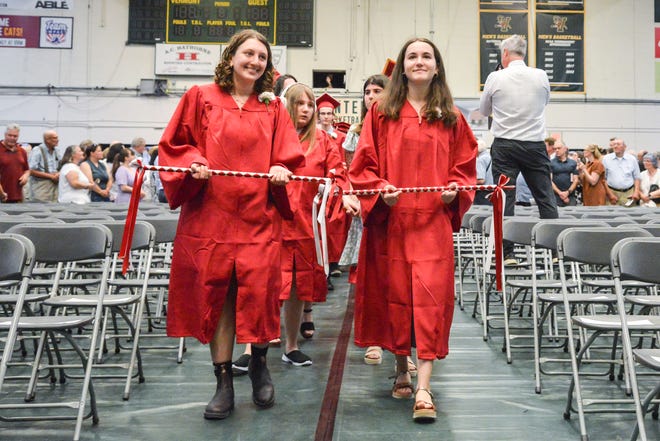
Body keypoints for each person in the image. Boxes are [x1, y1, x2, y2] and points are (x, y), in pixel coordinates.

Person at [158, 29, 305, 420]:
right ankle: (223, 381)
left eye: (262, 56)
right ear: (231, 56)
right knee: (218, 297)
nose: (255, 61)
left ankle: (258, 363)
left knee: (258, 294)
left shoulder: (273, 108)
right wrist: (193, 160)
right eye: (248, 53)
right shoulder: (200, 97)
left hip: (259, 218)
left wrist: (279, 166)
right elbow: (175, 145)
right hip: (212, 217)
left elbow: (289, 157)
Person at [349, 37, 477, 423]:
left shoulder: (452, 117)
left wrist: (455, 191)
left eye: (427, 56)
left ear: (437, 67)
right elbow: (363, 166)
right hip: (392, 224)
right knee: (396, 295)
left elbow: (465, 168)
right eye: (412, 56)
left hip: (433, 225)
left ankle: (423, 385)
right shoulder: (381, 114)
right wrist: (378, 191)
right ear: (402, 68)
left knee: (430, 300)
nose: (419, 61)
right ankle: (400, 366)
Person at [479, 34, 558, 260]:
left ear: (505, 53)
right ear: (523, 53)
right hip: (534, 144)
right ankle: (554, 251)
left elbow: (484, 111)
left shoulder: (496, 77)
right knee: (545, 198)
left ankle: (507, 253)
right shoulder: (541, 75)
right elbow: (544, 102)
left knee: (505, 199)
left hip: (505, 145)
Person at [602, 137, 641, 206]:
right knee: (611, 215)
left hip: (629, 193)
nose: (615, 146)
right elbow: (603, 179)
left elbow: (637, 177)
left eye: (618, 144)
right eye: (614, 144)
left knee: (629, 215)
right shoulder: (606, 159)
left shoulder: (632, 159)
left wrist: (636, 192)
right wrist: (610, 194)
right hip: (612, 193)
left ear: (625, 147)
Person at [0, 123, 30, 203]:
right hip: (2, 197)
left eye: (15, 136)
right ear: (5, 135)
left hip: (19, 197)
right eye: (10, 135)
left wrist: (25, 176)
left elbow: (27, 170)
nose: (12, 138)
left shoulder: (22, 151)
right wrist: (1, 193)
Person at [29, 130, 60, 202]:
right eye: (55, 138)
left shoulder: (57, 151)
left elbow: (61, 166)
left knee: (55, 209)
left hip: (54, 186)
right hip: (41, 186)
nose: (58, 140)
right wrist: (51, 176)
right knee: (41, 209)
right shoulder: (37, 150)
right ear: (47, 140)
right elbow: (30, 171)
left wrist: (58, 173)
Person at [550, 141, 578, 206]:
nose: (556, 150)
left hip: (570, 196)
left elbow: (575, 180)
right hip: (555, 196)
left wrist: (567, 193)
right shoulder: (551, 163)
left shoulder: (573, 163)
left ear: (565, 149)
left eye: (559, 148)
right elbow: (549, 180)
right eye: (555, 149)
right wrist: (560, 193)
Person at [474, 139, 494, 205]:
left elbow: (481, 180)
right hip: (493, 191)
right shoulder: (491, 157)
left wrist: (467, 183)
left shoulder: (480, 160)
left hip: (483, 193)